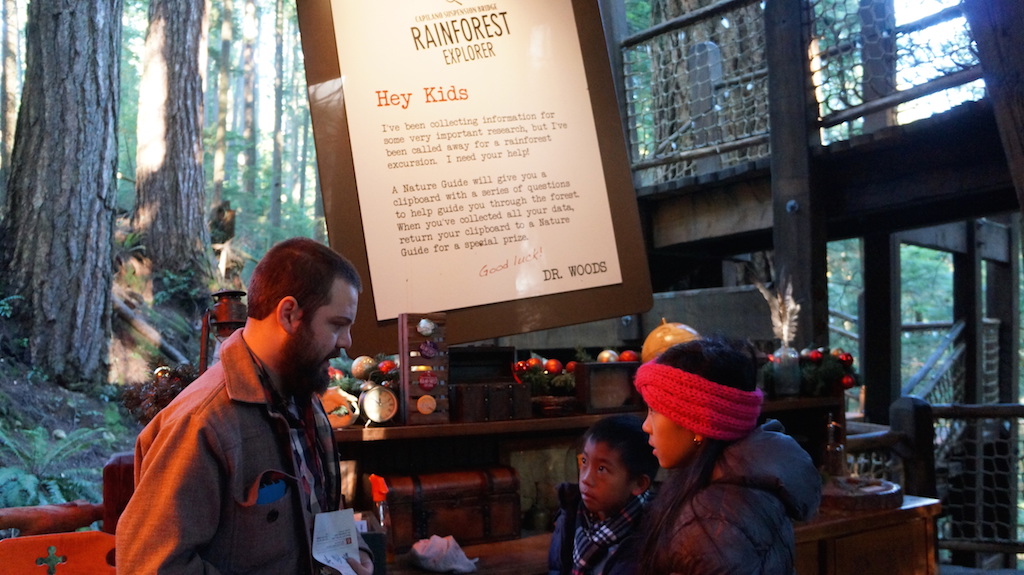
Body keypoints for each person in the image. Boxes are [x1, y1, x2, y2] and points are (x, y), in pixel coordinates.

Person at [117, 237, 374, 575]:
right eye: (337, 325)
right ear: (289, 314)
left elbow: (321, 511)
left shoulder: (304, 398)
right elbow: (149, 567)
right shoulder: (201, 422)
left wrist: (359, 556)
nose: (347, 343)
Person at [632, 337, 821, 575]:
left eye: (654, 410)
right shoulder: (748, 484)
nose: (646, 426)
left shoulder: (709, 524)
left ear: (697, 423)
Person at [547, 414, 659, 575]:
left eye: (602, 469)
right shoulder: (571, 513)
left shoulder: (650, 539)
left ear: (639, 484)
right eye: (584, 462)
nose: (586, 479)